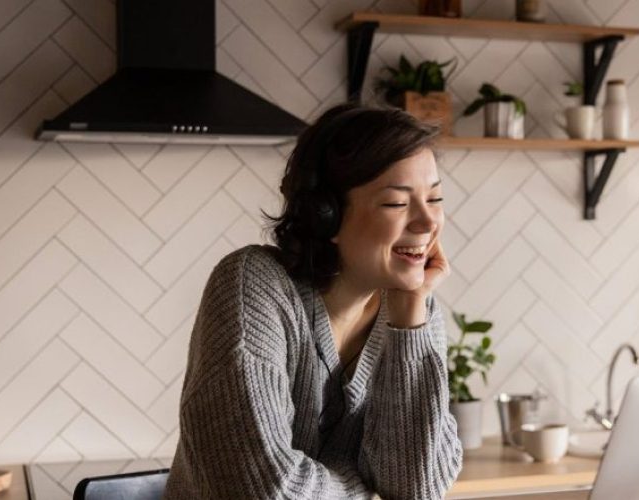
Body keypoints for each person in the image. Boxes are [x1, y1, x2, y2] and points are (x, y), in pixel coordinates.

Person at [164, 104, 463, 499]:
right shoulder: (252, 286)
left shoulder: (415, 312)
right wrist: (363, 486)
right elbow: (264, 492)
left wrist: (410, 320)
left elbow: (415, 488)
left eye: (435, 198)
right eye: (397, 203)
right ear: (328, 216)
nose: (427, 223)